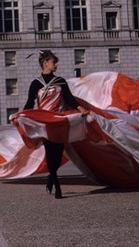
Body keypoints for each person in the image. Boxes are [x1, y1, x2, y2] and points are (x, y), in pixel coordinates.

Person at [12, 50, 88, 199]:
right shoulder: (36, 83)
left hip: (59, 121)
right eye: (54, 62)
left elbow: (70, 100)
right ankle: (57, 186)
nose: (56, 65)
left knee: (58, 155)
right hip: (45, 122)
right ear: (45, 63)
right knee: (50, 153)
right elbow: (29, 103)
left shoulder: (60, 81)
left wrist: (80, 108)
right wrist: (19, 114)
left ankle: (50, 179)